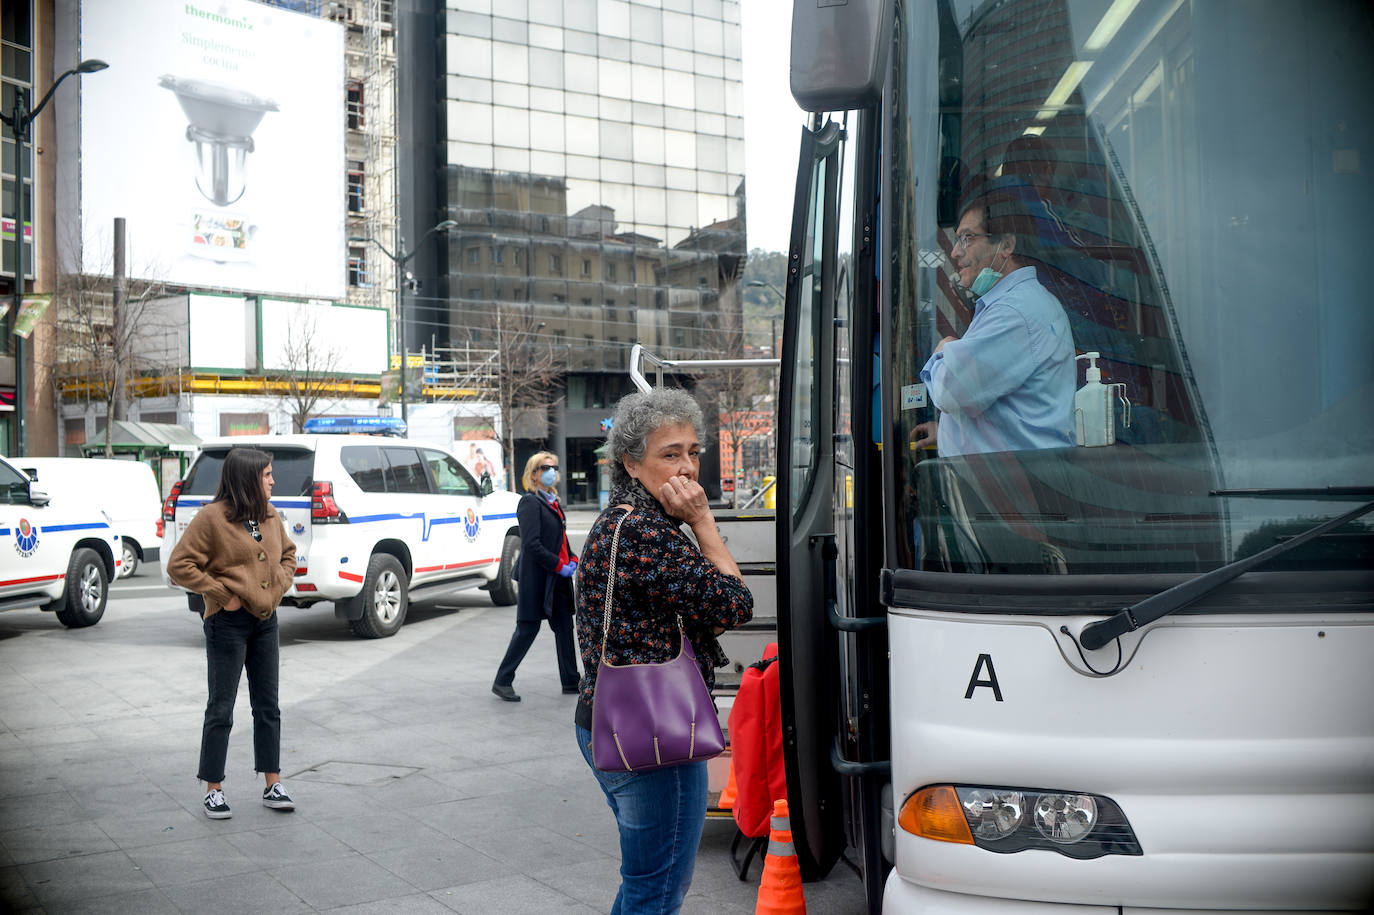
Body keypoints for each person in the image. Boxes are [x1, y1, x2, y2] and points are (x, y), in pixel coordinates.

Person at [573, 387, 754, 914]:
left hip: (611, 723)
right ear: (631, 462)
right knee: (658, 891)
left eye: (694, 452)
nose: (688, 468)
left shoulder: (620, 521)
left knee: (644, 883)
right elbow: (734, 605)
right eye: (669, 454)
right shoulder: (648, 533)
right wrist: (703, 523)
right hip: (654, 739)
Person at [166, 447, 298, 819]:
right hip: (227, 624)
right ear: (248, 479)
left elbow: (288, 555)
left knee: (268, 706)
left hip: (265, 622)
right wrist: (222, 594)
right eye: (267, 474)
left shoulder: (267, 515)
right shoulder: (212, 517)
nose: (273, 481)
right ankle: (213, 788)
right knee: (221, 708)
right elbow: (179, 564)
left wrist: (277, 587)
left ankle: (272, 783)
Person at [912, 195, 1076, 456]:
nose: (955, 252)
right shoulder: (1024, 303)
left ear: (1006, 244)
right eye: (957, 240)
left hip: (1013, 487)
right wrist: (946, 433)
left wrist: (944, 349)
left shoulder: (1014, 313)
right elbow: (1001, 405)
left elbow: (952, 391)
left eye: (967, 238)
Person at [491, 451, 581, 702]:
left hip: (558, 578)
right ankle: (502, 680)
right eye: (545, 467)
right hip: (538, 579)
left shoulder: (553, 501)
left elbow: (558, 541)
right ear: (533, 474)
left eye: (554, 466)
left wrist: (571, 558)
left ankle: (571, 681)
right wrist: (559, 566)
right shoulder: (530, 503)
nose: (551, 471)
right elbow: (532, 544)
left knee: (564, 628)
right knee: (527, 629)